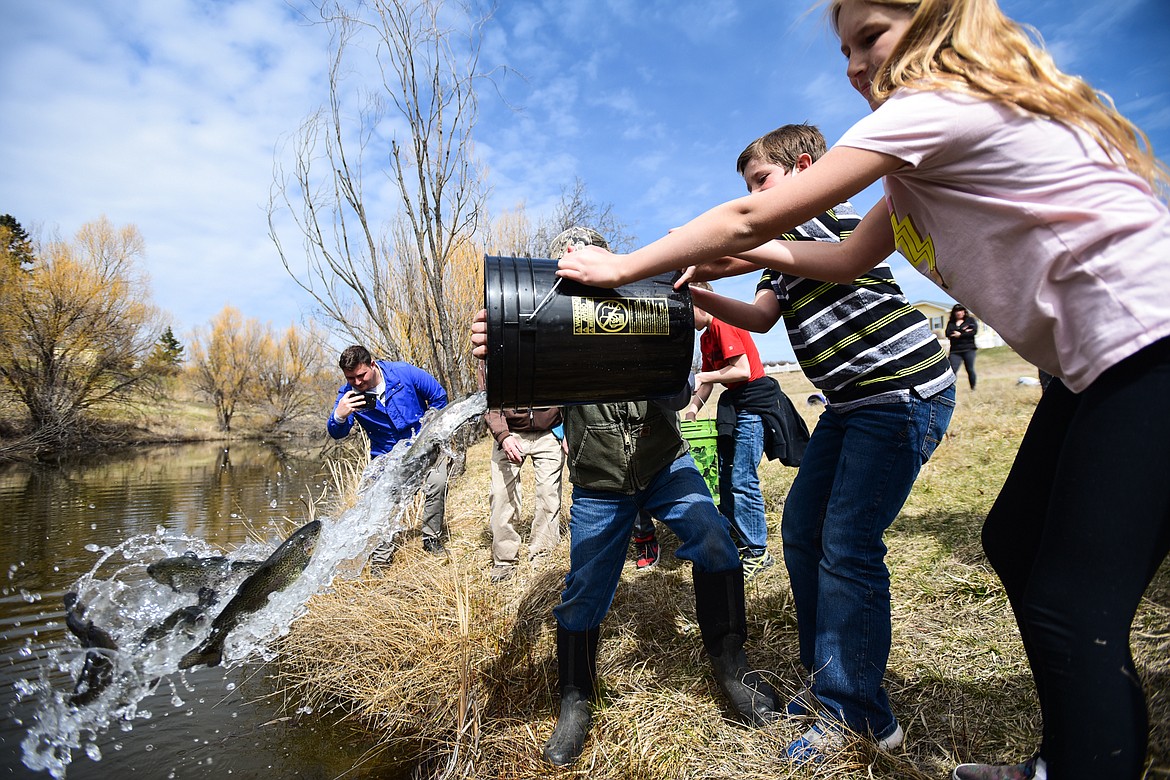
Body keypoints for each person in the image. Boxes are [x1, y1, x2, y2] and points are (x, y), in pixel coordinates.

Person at [553, 2, 1170, 778]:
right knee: (880, 533)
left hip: (1079, 360)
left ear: (940, 23)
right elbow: (837, 263)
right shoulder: (905, 184)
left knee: (905, 556)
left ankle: (855, 715)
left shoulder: (932, 109)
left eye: (870, 36)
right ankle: (846, 689)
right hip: (987, 384)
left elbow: (756, 223)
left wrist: (623, 266)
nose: (851, 63)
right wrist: (707, 286)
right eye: (844, 47)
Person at [687, 123, 955, 763]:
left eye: (762, 182)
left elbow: (747, 238)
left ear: (806, 169)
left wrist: (702, 252)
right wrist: (695, 287)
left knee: (848, 542)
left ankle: (857, 713)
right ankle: (829, 673)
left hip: (898, 394)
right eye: (750, 187)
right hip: (847, 405)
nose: (757, 195)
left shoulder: (827, 221)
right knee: (802, 529)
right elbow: (756, 315)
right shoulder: (782, 257)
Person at [471, 226, 781, 767]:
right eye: (567, 258)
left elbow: (681, 391)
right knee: (585, 588)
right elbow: (538, 411)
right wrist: (501, 352)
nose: (576, 264)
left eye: (585, 256)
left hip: (665, 462)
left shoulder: (647, 302)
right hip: (599, 483)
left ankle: (732, 669)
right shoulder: (554, 320)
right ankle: (575, 700)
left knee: (714, 542)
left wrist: (644, 359)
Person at [685, 283, 787, 580]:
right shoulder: (705, 338)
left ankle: (758, 551)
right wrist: (692, 409)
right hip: (735, 406)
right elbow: (706, 383)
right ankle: (738, 538)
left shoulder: (723, 322)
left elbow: (741, 370)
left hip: (753, 404)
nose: (686, 317)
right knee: (728, 476)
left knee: (743, 479)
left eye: (688, 307)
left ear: (702, 301)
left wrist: (703, 375)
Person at [327, 345, 450, 556]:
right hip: (385, 457)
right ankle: (381, 557)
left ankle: (432, 539)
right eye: (350, 378)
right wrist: (339, 415)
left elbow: (439, 396)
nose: (357, 383)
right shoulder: (348, 395)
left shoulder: (404, 373)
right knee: (377, 504)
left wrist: (430, 428)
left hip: (423, 445)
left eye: (361, 375)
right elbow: (338, 433)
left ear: (372, 364)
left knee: (437, 484)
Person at [483, 405, 566, 583]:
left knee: (548, 494)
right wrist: (503, 436)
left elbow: (567, 390)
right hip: (510, 432)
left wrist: (569, 428)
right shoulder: (489, 374)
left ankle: (543, 556)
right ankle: (504, 560)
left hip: (549, 431)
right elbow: (488, 401)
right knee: (500, 494)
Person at [946, 304, 978, 390]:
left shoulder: (970, 320)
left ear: (964, 312)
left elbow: (973, 332)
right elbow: (948, 333)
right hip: (955, 351)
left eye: (960, 310)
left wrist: (960, 334)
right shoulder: (951, 323)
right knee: (952, 370)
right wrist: (964, 331)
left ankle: (973, 388)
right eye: (956, 311)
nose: (958, 313)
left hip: (969, 349)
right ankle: (950, 389)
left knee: (970, 369)